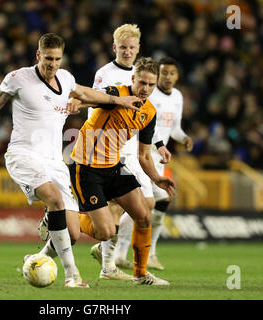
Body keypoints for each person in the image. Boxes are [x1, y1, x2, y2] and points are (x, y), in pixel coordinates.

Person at [0, 33, 142, 288]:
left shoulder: (65, 79)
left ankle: (37, 259)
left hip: (55, 162)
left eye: (57, 59)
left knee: (73, 234)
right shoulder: (18, 78)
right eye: (48, 59)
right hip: (23, 155)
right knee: (55, 199)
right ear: (38, 55)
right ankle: (72, 275)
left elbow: (88, 94)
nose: (52, 64)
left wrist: (118, 101)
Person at [69, 57, 175, 285]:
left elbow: (144, 155)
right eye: (142, 83)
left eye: (151, 84)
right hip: (87, 167)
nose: (145, 89)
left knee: (145, 215)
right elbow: (89, 97)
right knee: (105, 233)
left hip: (114, 167)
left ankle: (141, 274)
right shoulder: (116, 95)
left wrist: (157, 178)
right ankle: (61, 217)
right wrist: (78, 102)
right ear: (133, 79)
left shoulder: (149, 112)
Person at [86, 24, 170, 279]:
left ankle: (108, 255)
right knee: (125, 208)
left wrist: (158, 144)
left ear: (138, 49)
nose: (127, 51)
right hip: (109, 150)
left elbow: (144, 117)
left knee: (144, 205)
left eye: (132, 47)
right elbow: (96, 107)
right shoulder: (105, 74)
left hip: (132, 150)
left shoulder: (141, 74)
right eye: (123, 47)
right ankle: (110, 261)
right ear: (115, 47)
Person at [115, 57, 194, 270]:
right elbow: (147, 125)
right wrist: (158, 144)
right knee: (141, 204)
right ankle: (118, 251)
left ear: (177, 76)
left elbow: (174, 128)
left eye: (172, 73)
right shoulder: (147, 92)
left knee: (159, 201)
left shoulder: (177, 97)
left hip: (158, 158)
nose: (168, 77)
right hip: (141, 154)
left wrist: (184, 138)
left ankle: (149, 252)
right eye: (164, 73)